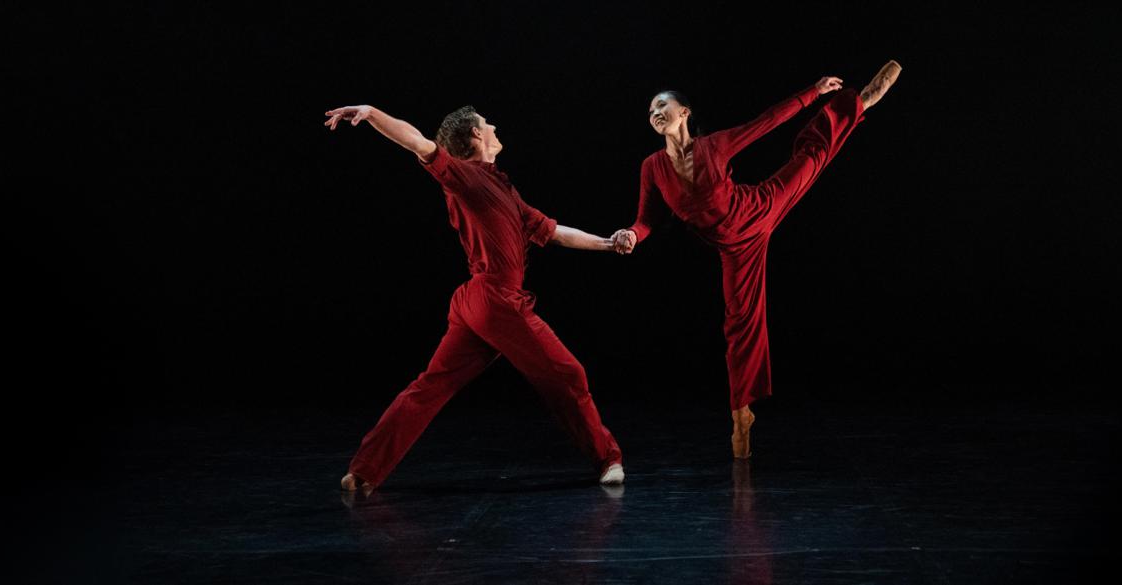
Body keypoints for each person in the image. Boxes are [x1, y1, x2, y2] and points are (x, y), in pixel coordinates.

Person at [324, 103, 626, 496]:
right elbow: (416, 141)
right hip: (496, 299)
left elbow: (554, 232)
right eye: (487, 124)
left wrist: (608, 244)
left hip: (476, 305)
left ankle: (363, 471)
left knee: (430, 387)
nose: (495, 125)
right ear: (474, 137)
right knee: (569, 375)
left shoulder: (504, 188)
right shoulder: (463, 176)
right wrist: (372, 113)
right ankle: (608, 458)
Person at [610, 61, 903, 458]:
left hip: (759, 208)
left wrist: (813, 92)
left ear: (684, 112)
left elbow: (765, 122)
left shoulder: (714, 146)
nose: (655, 112)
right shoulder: (652, 168)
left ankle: (862, 101)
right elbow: (645, 221)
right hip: (735, 249)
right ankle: (741, 416)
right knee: (739, 323)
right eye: (650, 111)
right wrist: (631, 235)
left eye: (662, 105)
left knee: (812, 156)